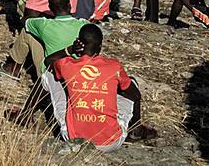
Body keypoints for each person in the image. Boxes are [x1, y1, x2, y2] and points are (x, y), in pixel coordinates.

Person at [19, 23, 155, 150]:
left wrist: (71, 49)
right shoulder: (114, 66)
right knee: (131, 83)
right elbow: (136, 96)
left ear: (79, 42)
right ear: (100, 46)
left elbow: (48, 62)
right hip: (110, 142)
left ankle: (25, 114)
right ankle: (136, 130)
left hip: (73, 138)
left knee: (48, 75)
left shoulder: (67, 65)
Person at [0, 0, 86, 80]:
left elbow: (24, 21)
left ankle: (13, 68)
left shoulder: (44, 24)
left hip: (52, 75)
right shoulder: (84, 24)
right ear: (69, 5)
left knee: (27, 32)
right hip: (78, 73)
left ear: (50, 8)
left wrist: (40, 15)